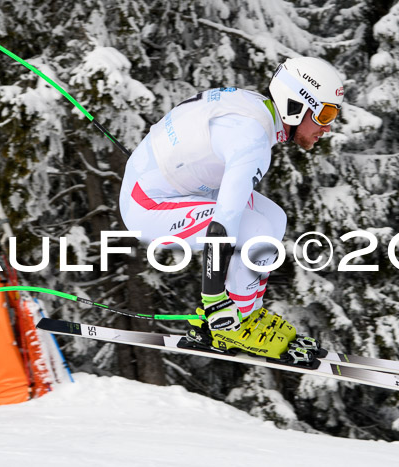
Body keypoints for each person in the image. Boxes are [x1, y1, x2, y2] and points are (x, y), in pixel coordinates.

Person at [119, 57, 344, 365]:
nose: (328, 126)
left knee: (274, 219)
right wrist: (213, 302)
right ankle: (230, 327)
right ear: (295, 105)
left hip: (173, 184)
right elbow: (222, 227)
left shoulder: (255, 109)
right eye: (325, 112)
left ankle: (246, 313)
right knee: (255, 231)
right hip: (147, 205)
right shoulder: (252, 140)